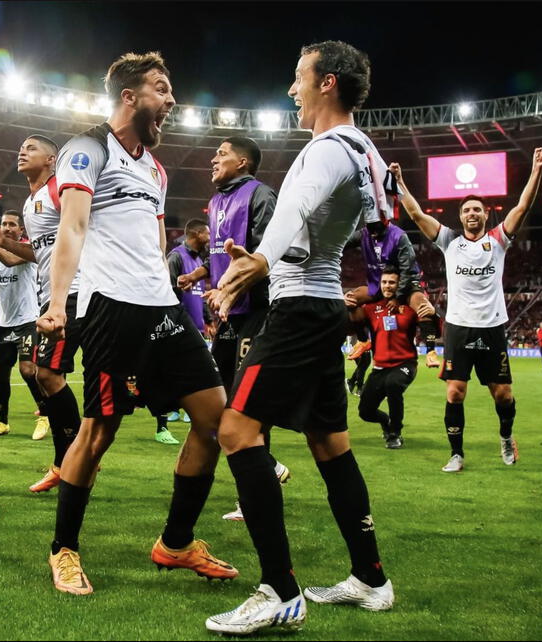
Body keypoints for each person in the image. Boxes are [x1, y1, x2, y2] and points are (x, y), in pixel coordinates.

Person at [205, 41, 394, 635]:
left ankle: (279, 591)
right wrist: (259, 262)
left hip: (298, 311)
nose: (293, 89)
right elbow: (371, 217)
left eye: (298, 77)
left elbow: (296, 213)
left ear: (327, 83)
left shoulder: (326, 150)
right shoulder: (364, 151)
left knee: (235, 431)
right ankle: (371, 577)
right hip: (322, 306)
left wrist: (260, 257)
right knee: (329, 443)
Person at [36, 51, 235, 595]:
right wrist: (59, 304)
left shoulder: (156, 168)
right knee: (99, 432)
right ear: (129, 96)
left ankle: (175, 542)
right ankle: (64, 550)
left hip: (162, 308)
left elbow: (152, 241)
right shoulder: (86, 148)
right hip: (108, 309)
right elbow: (73, 229)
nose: (171, 101)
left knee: (216, 422)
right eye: (161, 89)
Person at [389, 146, 542, 472]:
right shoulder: (449, 241)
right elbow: (418, 215)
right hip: (459, 327)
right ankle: (457, 454)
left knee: (502, 394)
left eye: (477, 209)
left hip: (492, 328)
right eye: (466, 211)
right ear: (460, 216)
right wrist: (400, 182)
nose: (472, 214)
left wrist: (537, 169)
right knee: (455, 393)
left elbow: (522, 206)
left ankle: (506, 437)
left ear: (485, 214)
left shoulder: (499, 239)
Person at [179, 136, 291, 520]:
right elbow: (219, 258)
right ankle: (269, 468)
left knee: (249, 405)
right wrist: (202, 275)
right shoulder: (217, 203)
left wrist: (231, 286)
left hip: (256, 312)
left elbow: (268, 253)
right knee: (222, 403)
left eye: (222, 154)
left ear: (243, 162)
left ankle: (253, 497)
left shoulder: (261, 196)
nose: (213, 159)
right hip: (227, 314)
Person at [0, 134, 82, 492]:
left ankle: (72, 460)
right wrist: (4, 243)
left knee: (47, 374)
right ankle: (69, 461)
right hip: (54, 297)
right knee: (46, 374)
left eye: (31, 148)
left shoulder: (61, 189)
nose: (20, 151)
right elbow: (39, 254)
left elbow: (83, 230)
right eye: (20, 146)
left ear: (51, 159)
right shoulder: (31, 203)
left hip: (76, 294)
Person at [347, 266, 433, 448]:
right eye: (384, 282)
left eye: (392, 282)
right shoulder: (371, 309)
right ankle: (385, 422)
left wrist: (432, 312)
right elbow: (355, 321)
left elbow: (430, 324)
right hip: (380, 367)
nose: (387, 286)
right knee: (365, 412)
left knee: (393, 385)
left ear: (399, 284)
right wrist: (350, 305)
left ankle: (395, 433)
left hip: (405, 363)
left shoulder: (409, 308)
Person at [0, 210, 49, 440]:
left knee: (27, 370)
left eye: (12, 224)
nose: (7, 228)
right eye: (3, 224)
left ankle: (44, 415)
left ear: (21, 230)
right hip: (4, 322)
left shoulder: (27, 249)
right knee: (1, 374)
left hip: (27, 321)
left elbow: (9, 260)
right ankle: (3, 422)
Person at [347, 220, 441, 368]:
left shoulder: (399, 236)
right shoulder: (364, 233)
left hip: (406, 283)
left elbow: (408, 270)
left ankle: (430, 351)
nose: (371, 232)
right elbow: (342, 242)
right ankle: (364, 340)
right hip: (381, 283)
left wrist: (398, 297)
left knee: (423, 305)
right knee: (351, 299)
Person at [162, 217, 213, 439]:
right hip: (180, 325)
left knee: (194, 368)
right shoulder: (176, 257)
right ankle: (175, 409)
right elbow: (168, 290)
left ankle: (182, 409)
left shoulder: (199, 260)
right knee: (183, 368)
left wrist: (207, 319)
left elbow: (199, 293)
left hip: (197, 324)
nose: (210, 238)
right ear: (196, 234)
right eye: (207, 234)